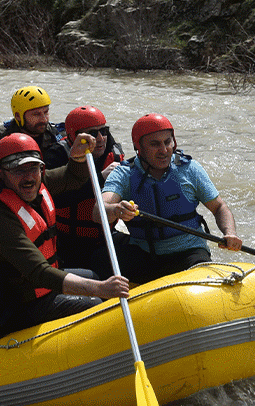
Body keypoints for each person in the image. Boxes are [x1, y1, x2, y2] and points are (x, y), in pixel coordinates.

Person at [0, 132, 130, 336]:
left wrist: (77, 158)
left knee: (92, 275)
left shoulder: (35, 182)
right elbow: (39, 273)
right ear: (1, 173)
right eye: (18, 169)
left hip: (31, 291)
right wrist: (100, 288)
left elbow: (71, 178)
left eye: (33, 167)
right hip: (5, 310)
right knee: (93, 302)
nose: (27, 176)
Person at [99, 113, 242, 286]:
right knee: (99, 260)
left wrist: (230, 233)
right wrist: (115, 210)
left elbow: (219, 207)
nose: (164, 149)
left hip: (188, 252)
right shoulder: (124, 173)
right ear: (139, 147)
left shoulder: (190, 169)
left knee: (202, 279)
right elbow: (99, 210)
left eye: (167, 142)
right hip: (144, 252)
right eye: (154, 144)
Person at [51, 106, 127, 278]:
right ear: (73, 137)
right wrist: (100, 178)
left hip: (104, 237)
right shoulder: (57, 155)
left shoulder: (113, 152)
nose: (100, 139)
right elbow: (60, 200)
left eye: (104, 131)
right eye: (92, 134)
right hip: (68, 242)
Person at [0, 85, 68, 172]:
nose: (44, 119)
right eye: (36, 114)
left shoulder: (58, 134)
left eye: (46, 112)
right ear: (18, 116)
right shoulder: (0, 136)